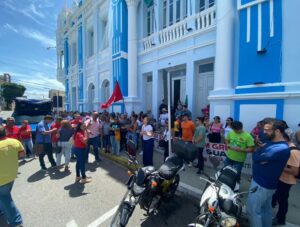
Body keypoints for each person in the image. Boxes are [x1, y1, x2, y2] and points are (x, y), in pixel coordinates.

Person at [246, 119, 290, 227]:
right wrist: (260, 151)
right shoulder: (272, 142)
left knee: (252, 210)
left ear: (278, 131)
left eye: (267, 130)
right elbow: (259, 155)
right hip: (264, 183)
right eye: (264, 130)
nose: (264, 132)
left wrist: (258, 150)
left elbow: (256, 157)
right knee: (265, 210)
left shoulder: (280, 148)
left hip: (262, 185)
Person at [272, 133, 300, 226]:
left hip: (286, 181)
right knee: (275, 195)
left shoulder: (293, 152)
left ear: (284, 139)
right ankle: (271, 207)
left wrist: (278, 165)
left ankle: (280, 219)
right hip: (279, 178)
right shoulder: (284, 148)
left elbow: (294, 171)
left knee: (282, 200)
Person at [0, 125, 25, 227]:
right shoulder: (15, 142)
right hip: (12, 174)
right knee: (4, 196)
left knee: (5, 197)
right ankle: (2, 210)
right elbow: (22, 155)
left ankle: (16, 221)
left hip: (1, 178)